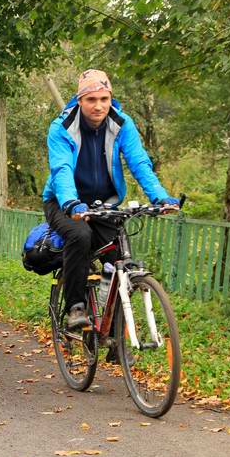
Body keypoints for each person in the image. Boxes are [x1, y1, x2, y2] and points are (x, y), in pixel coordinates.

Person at [42, 69, 179, 331]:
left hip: (105, 202)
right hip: (63, 202)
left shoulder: (122, 123)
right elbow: (61, 169)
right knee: (80, 236)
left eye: (104, 99)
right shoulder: (61, 127)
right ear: (79, 100)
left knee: (118, 259)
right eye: (91, 100)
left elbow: (139, 162)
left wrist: (160, 197)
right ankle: (76, 306)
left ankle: (115, 333)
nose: (99, 106)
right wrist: (71, 203)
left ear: (110, 98)